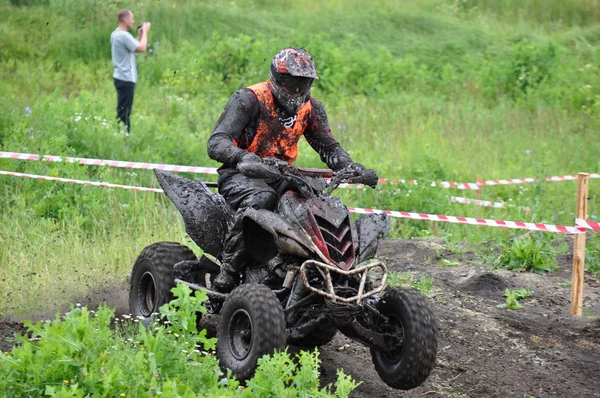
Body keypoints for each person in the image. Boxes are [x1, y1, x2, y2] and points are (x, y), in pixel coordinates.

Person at [207, 47, 376, 292]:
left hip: (283, 174)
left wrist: (348, 166)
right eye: (290, 82)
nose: (296, 89)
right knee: (263, 198)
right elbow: (216, 142)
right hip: (241, 173)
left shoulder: (311, 108)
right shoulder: (250, 99)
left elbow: (327, 145)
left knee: (317, 203)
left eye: (302, 83)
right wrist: (243, 156)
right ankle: (229, 270)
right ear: (277, 77)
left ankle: (331, 272)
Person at [110, 9, 151, 135]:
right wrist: (145, 32)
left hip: (120, 77)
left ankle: (122, 134)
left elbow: (134, 47)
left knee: (123, 109)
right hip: (126, 78)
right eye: (132, 19)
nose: (133, 21)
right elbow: (142, 48)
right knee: (125, 111)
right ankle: (124, 137)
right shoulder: (123, 35)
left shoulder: (116, 34)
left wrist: (139, 34)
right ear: (125, 20)